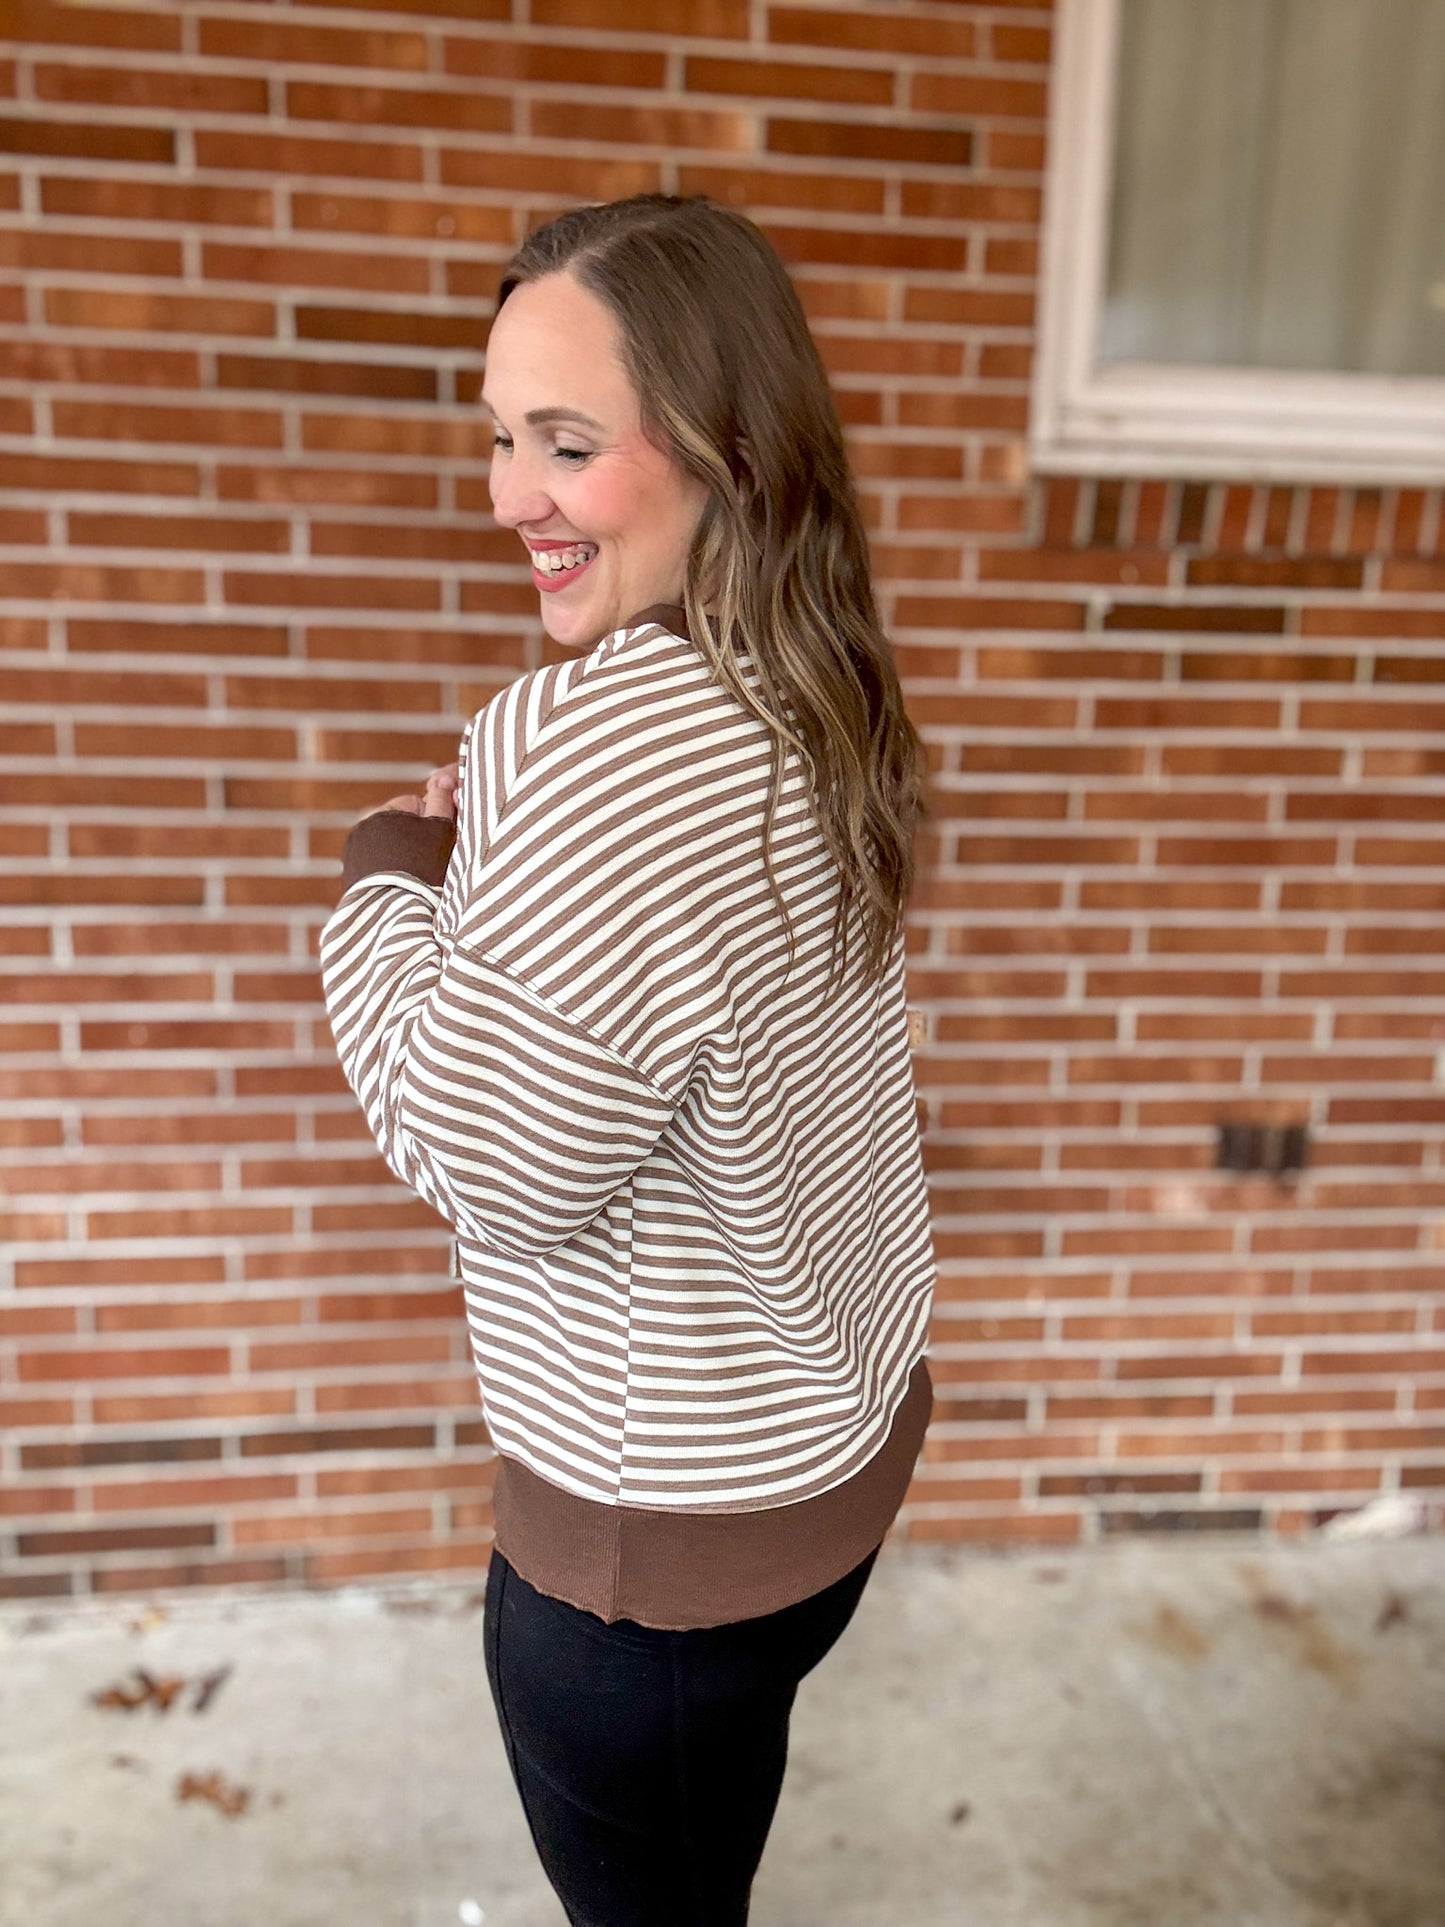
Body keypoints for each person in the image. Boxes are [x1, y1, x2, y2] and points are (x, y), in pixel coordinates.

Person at [319, 193, 939, 1927]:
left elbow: (494, 1165)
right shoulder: (817, 678)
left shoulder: (594, 737)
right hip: (827, 1467)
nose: (509, 493)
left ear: (727, 447)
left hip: (646, 1567)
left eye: (567, 444)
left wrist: (386, 880)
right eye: (502, 436)